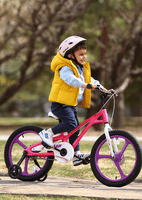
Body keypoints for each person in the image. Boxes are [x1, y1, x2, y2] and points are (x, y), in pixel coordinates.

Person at [39, 36, 112, 166]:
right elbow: (70, 79)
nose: (84, 57)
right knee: (72, 124)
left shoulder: (79, 68)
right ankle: (47, 133)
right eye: (81, 54)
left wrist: (103, 88)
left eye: (85, 54)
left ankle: (76, 154)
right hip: (60, 104)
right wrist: (84, 85)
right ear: (71, 55)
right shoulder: (64, 67)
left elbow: (90, 80)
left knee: (75, 128)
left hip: (69, 105)